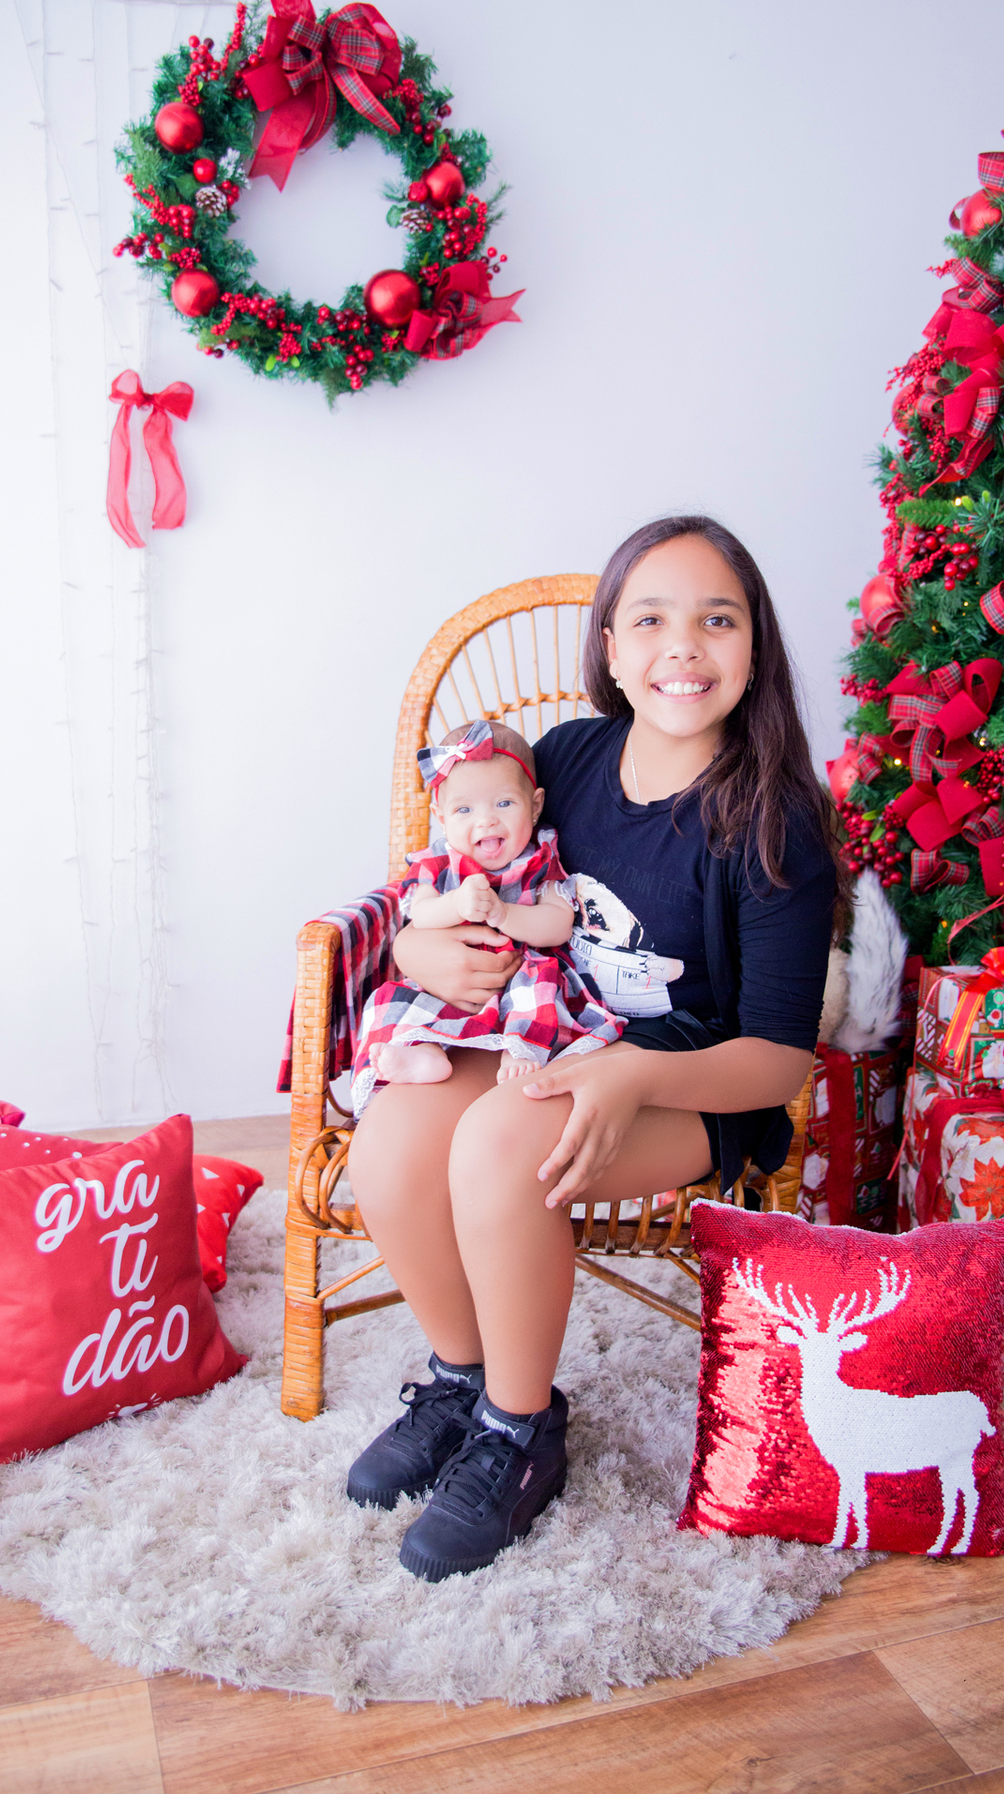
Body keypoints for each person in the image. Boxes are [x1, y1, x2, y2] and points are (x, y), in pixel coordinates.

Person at [346, 516, 841, 1583]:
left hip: (692, 1078)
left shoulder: (774, 818)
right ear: (609, 649)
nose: (683, 647)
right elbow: (455, 875)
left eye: (718, 619)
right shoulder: (566, 758)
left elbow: (779, 1061)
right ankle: (461, 1381)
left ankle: (523, 1433)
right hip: (559, 1030)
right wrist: (422, 947)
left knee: (493, 1148)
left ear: (754, 647)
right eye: (650, 620)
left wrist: (637, 1074)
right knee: (387, 1148)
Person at [351, 718, 622, 1109]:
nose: (486, 820)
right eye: (464, 809)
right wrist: (456, 905)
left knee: (537, 991)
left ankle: (522, 1047)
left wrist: (503, 912)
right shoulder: (437, 863)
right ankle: (424, 1053)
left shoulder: (541, 858)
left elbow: (559, 924)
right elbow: (420, 914)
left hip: (520, 969)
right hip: (445, 980)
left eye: (504, 803)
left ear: (535, 806)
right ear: (441, 818)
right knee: (393, 1000)